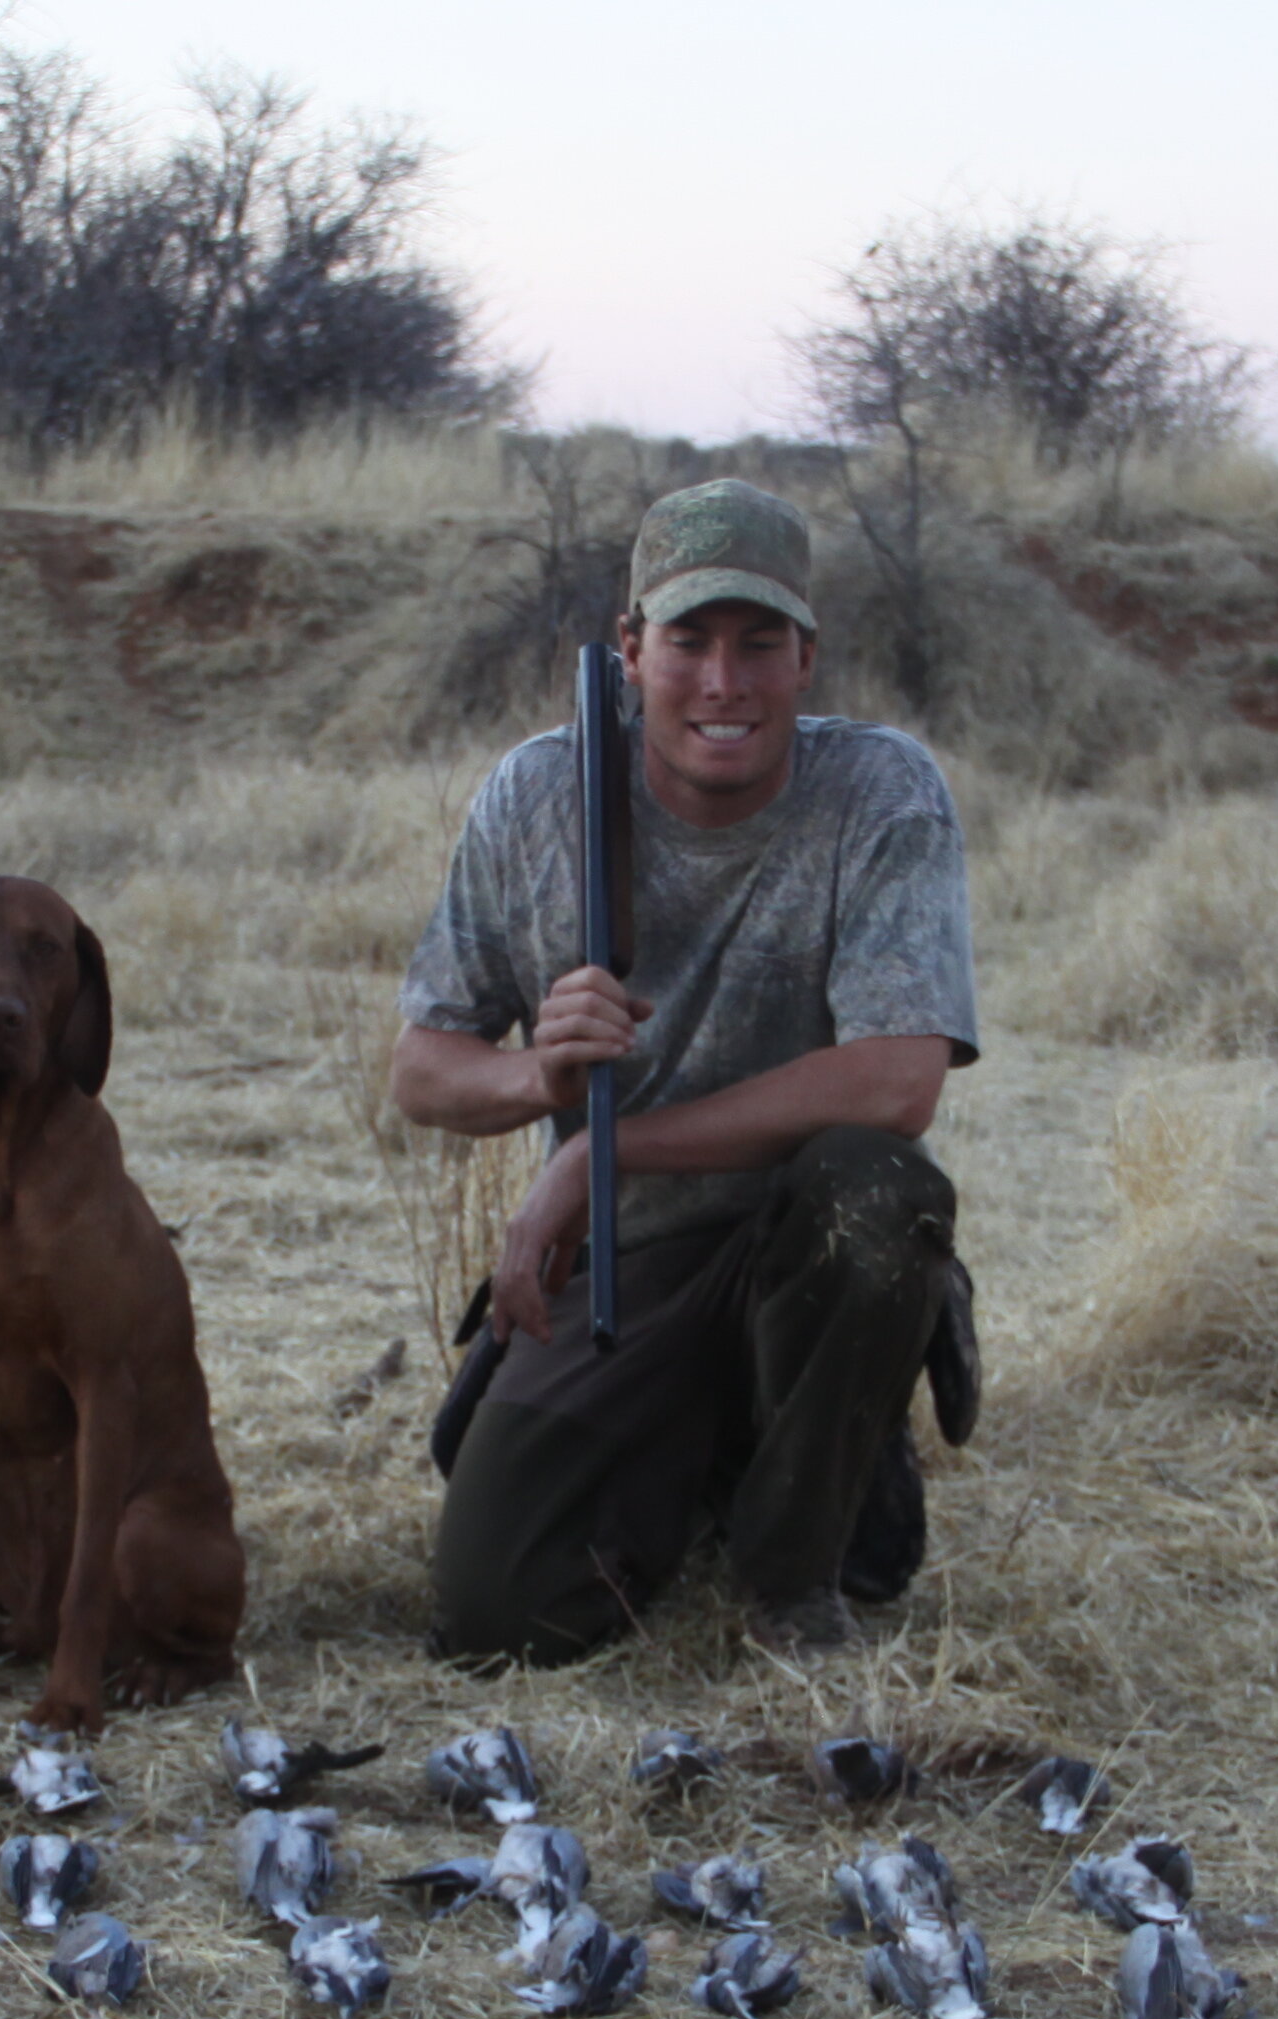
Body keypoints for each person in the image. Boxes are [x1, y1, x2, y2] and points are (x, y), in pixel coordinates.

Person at [388, 476, 980, 1664]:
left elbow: (896, 1082)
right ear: (629, 649)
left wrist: (597, 1157)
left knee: (878, 1189)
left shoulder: (881, 788)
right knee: (500, 1617)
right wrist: (542, 1088)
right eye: (689, 641)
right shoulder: (536, 792)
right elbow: (424, 1068)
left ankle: (792, 1577)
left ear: (807, 657)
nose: (725, 682)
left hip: (795, 1255)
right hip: (627, 1261)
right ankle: (718, 1463)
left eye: (761, 643)